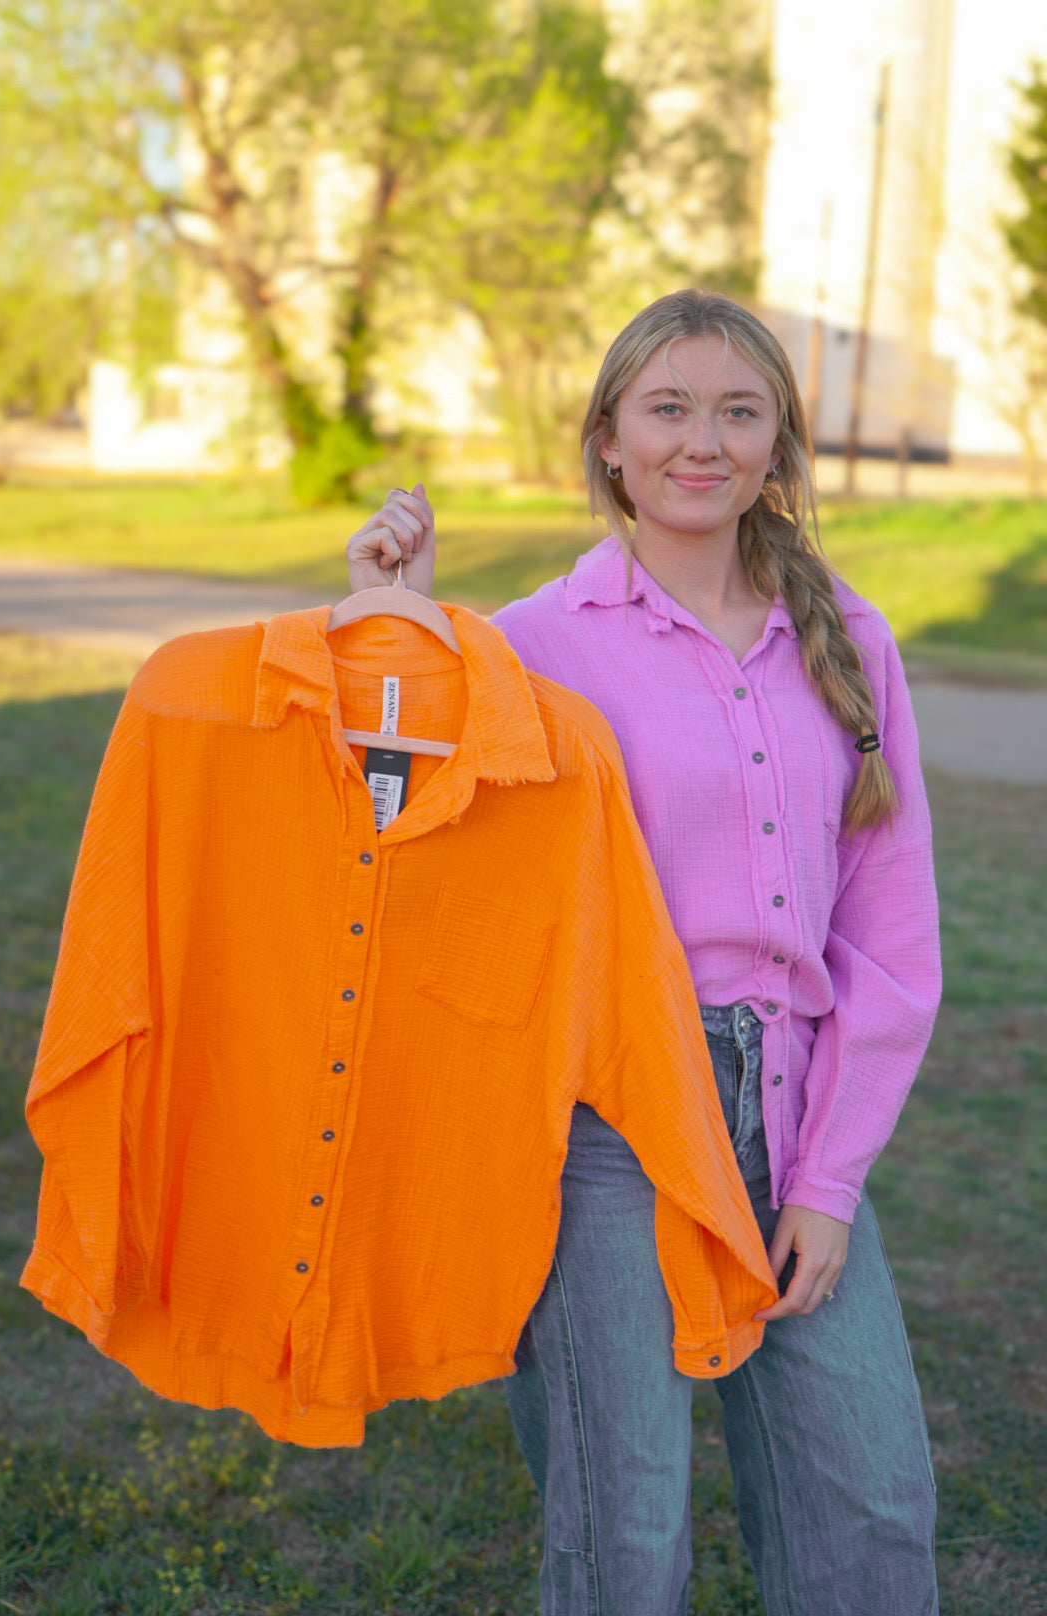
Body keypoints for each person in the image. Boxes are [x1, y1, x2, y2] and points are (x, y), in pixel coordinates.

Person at [344, 288, 941, 1616]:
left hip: (790, 1122)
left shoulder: (851, 639)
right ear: (608, 437)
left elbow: (890, 939)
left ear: (779, 442)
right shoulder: (536, 646)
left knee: (875, 1519)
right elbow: (395, 841)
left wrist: (830, 1184)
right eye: (667, 408)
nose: (702, 442)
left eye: (740, 411)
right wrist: (396, 633)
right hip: (602, 1129)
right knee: (624, 1542)